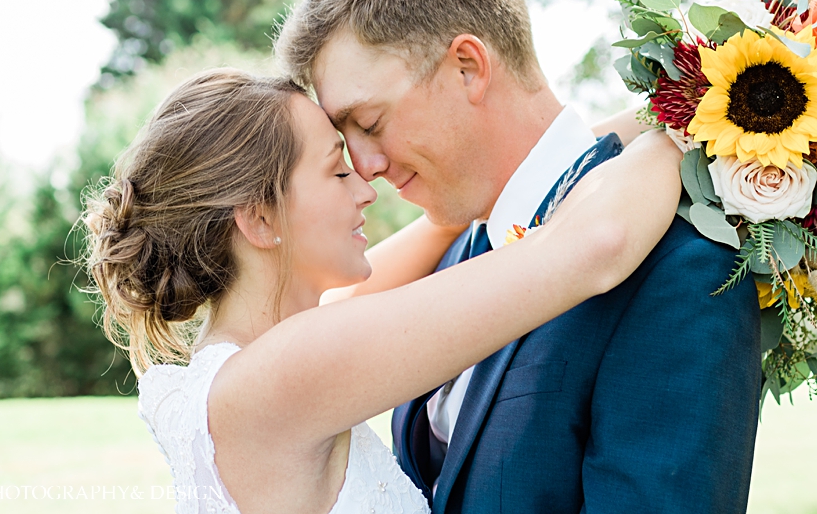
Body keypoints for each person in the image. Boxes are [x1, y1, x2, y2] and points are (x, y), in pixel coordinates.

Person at [274, 0, 761, 514]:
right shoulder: (450, 255)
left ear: (468, 68)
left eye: (370, 123)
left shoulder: (681, 263)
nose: (366, 165)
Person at [82, 68, 682, 514]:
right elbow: (596, 245)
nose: (366, 188)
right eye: (337, 171)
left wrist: (655, 108)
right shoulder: (285, 374)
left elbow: (459, 214)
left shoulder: (254, 362)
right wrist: (704, 122)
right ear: (260, 220)